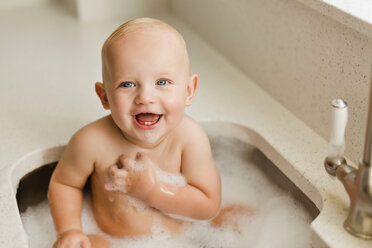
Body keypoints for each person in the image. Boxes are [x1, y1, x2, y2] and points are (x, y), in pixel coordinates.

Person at [48, 17, 250, 248]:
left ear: (188, 91)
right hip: (114, 240)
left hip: (185, 237)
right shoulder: (91, 142)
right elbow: (65, 184)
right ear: (104, 96)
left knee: (242, 219)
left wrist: (154, 191)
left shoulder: (189, 138)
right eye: (128, 84)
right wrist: (69, 230)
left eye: (162, 82)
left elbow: (208, 204)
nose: (145, 97)